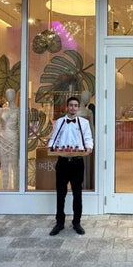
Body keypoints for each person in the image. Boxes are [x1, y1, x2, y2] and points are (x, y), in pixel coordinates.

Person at [48, 96, 93, 236]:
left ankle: (77, 222)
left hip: (77, 162)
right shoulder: (60, 121)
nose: (73, 108)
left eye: (75, 105)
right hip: (62, 162)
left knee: (77, 193)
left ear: (78, 108)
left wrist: (89, 148)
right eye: (71, 105)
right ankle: (59, 222)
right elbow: (53, 138)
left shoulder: (84, 123)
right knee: (60, 193)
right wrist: (50, 147)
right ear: (67, 107)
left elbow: (88, 138)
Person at [0, 88, 20, 190]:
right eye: (7, 94)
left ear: (15, 95)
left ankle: (16, 188)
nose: (9, 96)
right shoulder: (1, 110)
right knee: (4, 166)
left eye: (11, 94)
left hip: (14, 139)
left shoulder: (18, 111)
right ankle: (5, 189)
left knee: (14, 166)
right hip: (3, 140)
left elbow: (21, 128)